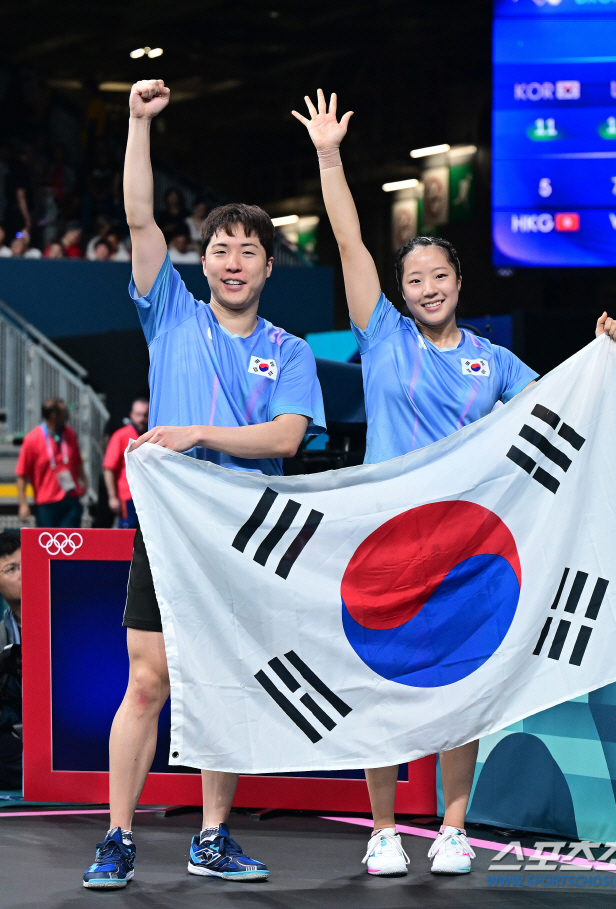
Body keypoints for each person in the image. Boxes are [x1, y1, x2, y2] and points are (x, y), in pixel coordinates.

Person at [294, 89, 616, 877]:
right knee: (379, 683)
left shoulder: (493, 361)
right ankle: (383, 828)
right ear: (400, 291)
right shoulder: (382, 339)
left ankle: (451, 827)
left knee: (460, 688)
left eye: (437, 275)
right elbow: (348, 241)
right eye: (413, 279)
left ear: (456, 281)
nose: (425, 287)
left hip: (466, 549)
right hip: (386, 539)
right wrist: (330, 156)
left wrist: (606, 354)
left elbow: (562, 403)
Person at [82, 79, 325, 891]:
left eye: (247, 249)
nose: (230, 259)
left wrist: (197, 433)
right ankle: (117, 834)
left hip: (247, 529)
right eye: (220, 247)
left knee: (225, 683)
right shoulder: (172, 315)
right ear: (206, 259)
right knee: (147, 680)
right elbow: (141, 217)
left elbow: (288, 437)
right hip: (171, 527)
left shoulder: (290, 350)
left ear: (265, 265)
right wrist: (138, 123)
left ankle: (212, 836)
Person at [16, 398, 85, 528]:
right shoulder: (32, 439)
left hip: (70, 497)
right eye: (64, 412)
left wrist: (84, 480)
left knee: (71, 543)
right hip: (46, 502)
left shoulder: (69, 434)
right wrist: (23, 503)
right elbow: (22, 474)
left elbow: (77, 462)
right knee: (49, 544)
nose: (67, 415)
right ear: (54, 415)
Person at [103, 398, 150, 528]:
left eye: (145, 415)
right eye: (138, 415)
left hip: (150, 495)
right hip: (129, 496)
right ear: (131, 415)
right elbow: (109, 467)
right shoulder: (121, 436)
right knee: (129, 535)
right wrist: (112, 497)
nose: (141, 419)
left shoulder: (152, 435)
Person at [0, 532, 22, 791]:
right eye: (11, 569)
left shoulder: (69, 623)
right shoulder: (2, 634)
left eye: (27, 563)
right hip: (15, 731)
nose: (22, 573)